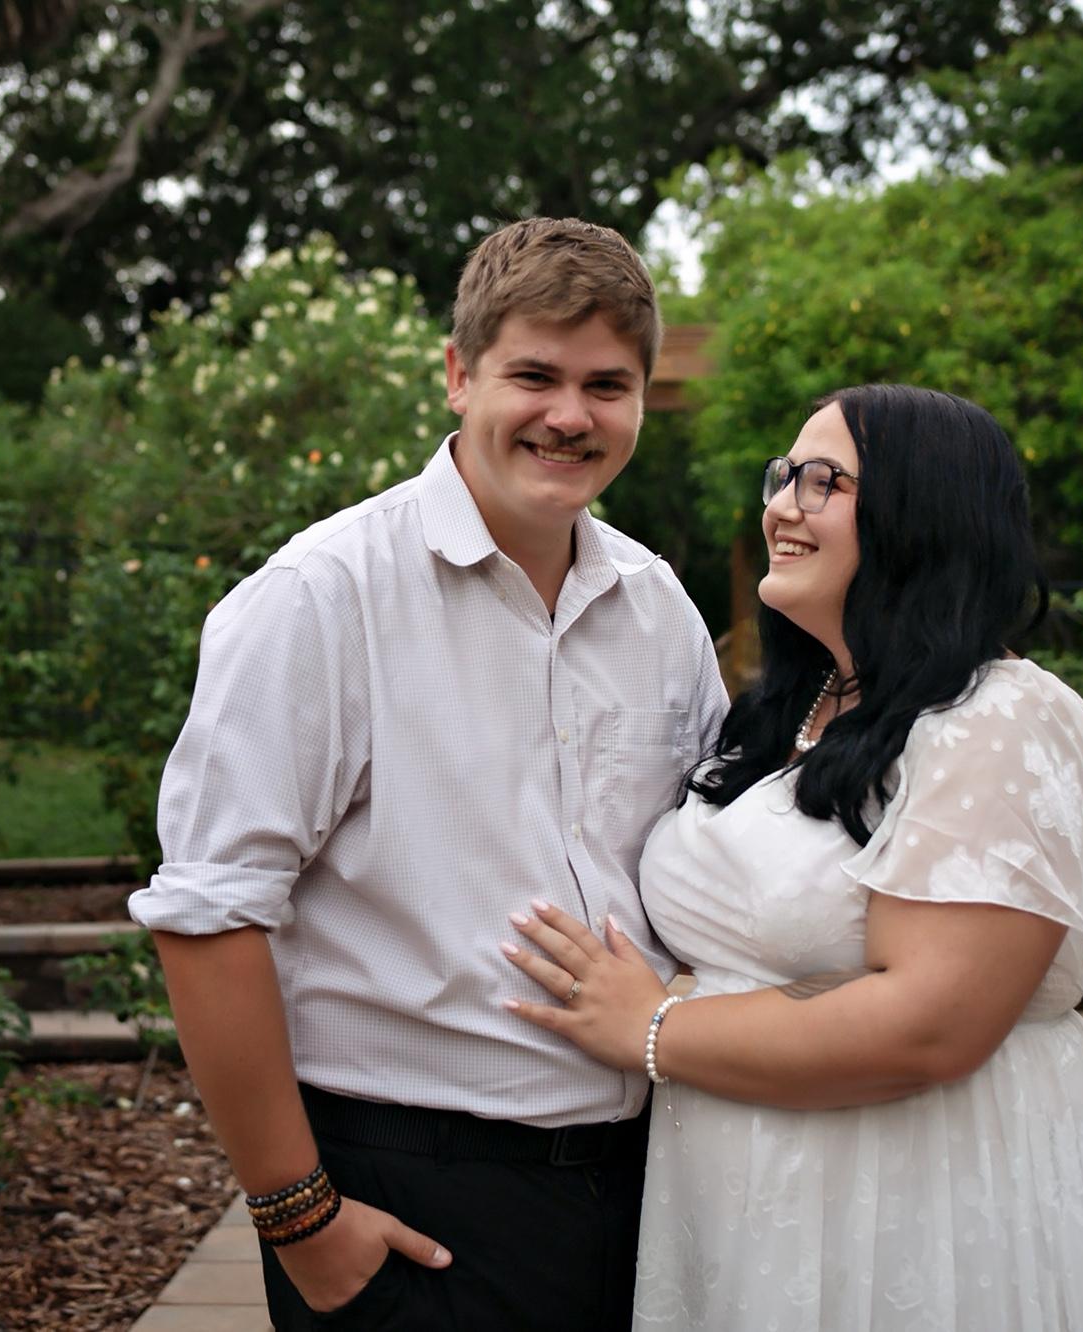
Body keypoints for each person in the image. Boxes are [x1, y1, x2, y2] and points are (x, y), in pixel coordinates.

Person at [128, 216, 728, 1330]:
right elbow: (209, 913)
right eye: (534, 376)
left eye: (606, 385)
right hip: (413, 1200)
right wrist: (300, 1220)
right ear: (458, 375)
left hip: (649, 1187)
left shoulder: (660, 611)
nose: (570, 415)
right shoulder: (323, 596)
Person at [502, 383, 1083, 1331]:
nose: (782, 505)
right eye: (783, 477)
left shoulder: (997, 719)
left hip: (910, 1196)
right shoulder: (800, 707)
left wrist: (653, 1028)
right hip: (750, 1197)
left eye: (824, 481)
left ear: (922, 512)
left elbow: (930, 1024)